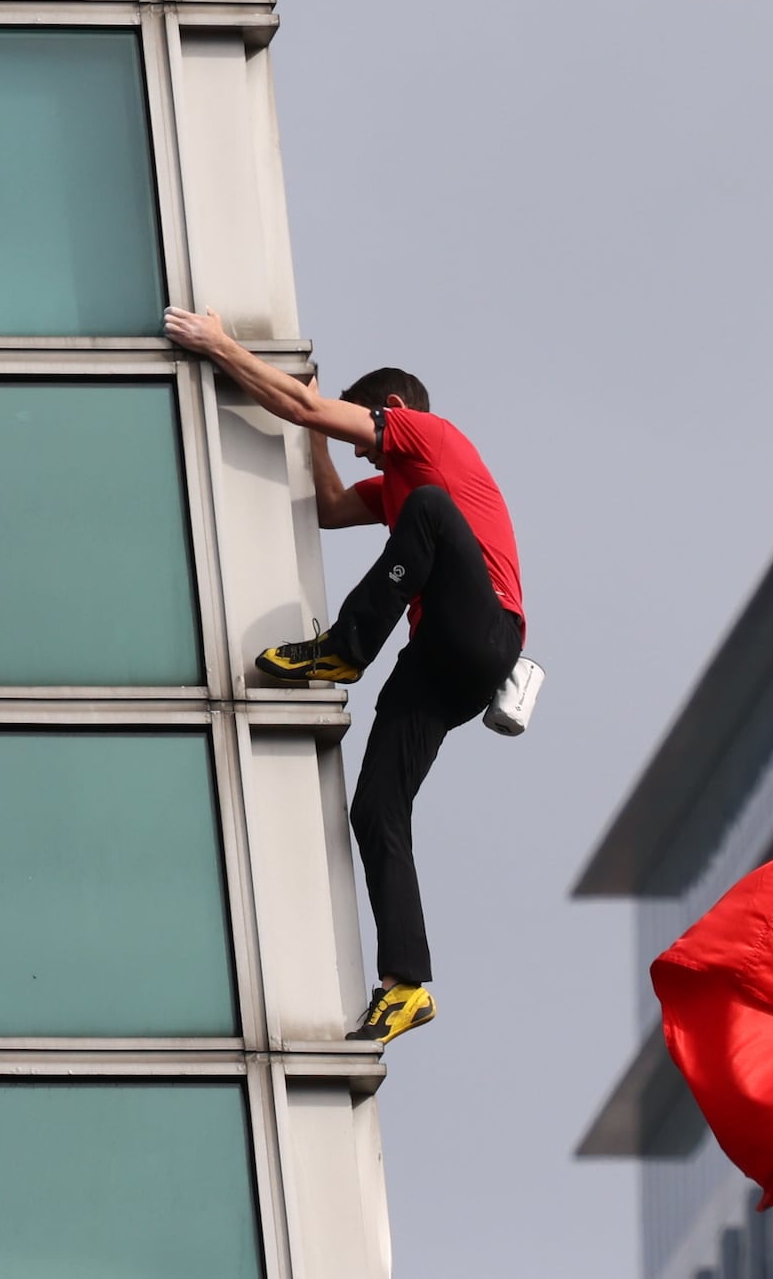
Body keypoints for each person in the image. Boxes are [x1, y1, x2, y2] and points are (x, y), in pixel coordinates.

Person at [164, 308, 525, 1047]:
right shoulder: (395, 485)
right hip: (441, 667)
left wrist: (220, 346)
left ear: (388, 414)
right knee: (375, 808)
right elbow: (329, 507)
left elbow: (305, 408)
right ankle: (407, 987)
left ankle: (346, 648)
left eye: (364, 439)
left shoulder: (431, 436)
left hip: (486, 632)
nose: (365, 459)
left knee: (426, 508)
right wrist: (311, 429)